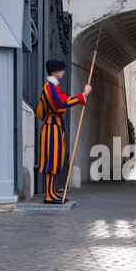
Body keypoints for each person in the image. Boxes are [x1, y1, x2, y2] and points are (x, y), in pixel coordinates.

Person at [36, 59, 92, 204]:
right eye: (61, 70)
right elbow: (60, 104)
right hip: (51, 127)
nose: (63, 72)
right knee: (50, 161)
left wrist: (81, 97)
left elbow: (42, 111)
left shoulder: (54, 88)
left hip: (55, 127)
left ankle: (52, 191)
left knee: (55, 161)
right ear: (54, 72)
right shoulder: (49, 88)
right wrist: (83, 95)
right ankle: (48, 194)